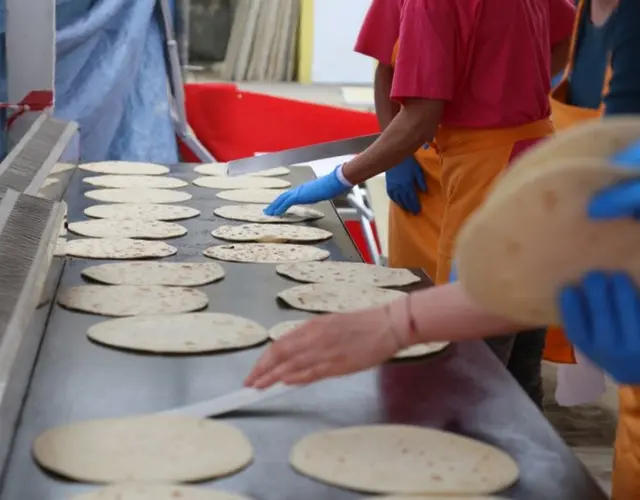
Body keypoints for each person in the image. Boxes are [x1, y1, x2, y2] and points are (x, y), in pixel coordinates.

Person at [264, 0, 575, 407]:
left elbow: (420, 118)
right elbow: (564, 36)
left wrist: (341, 177)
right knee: (521, 336)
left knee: (475, 355)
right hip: (537, 157)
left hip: (489, 172)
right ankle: (528, 456)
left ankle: (474, 451)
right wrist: (515, 86)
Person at [354, 0, 443, 280]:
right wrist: (396, 155)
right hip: (422, 171)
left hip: (489, 165)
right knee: (414, 284)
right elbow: (386, 71)